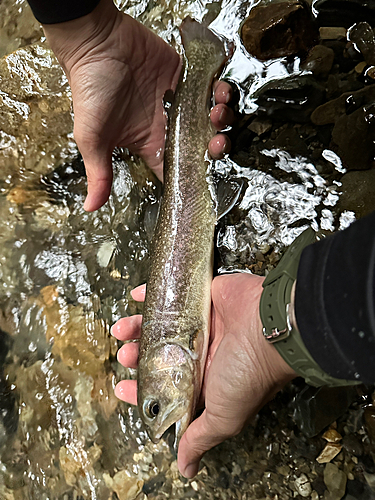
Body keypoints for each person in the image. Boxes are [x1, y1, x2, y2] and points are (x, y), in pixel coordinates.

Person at [27, 0, 375, 480]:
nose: (161, 419)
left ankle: (200, 69)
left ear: (169, 361)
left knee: (189, 165)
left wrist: (287, 329)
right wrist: (84, 32)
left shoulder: (179, 346)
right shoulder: (177, 352)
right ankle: (200, 71)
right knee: (192, 162)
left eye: (155, 408)